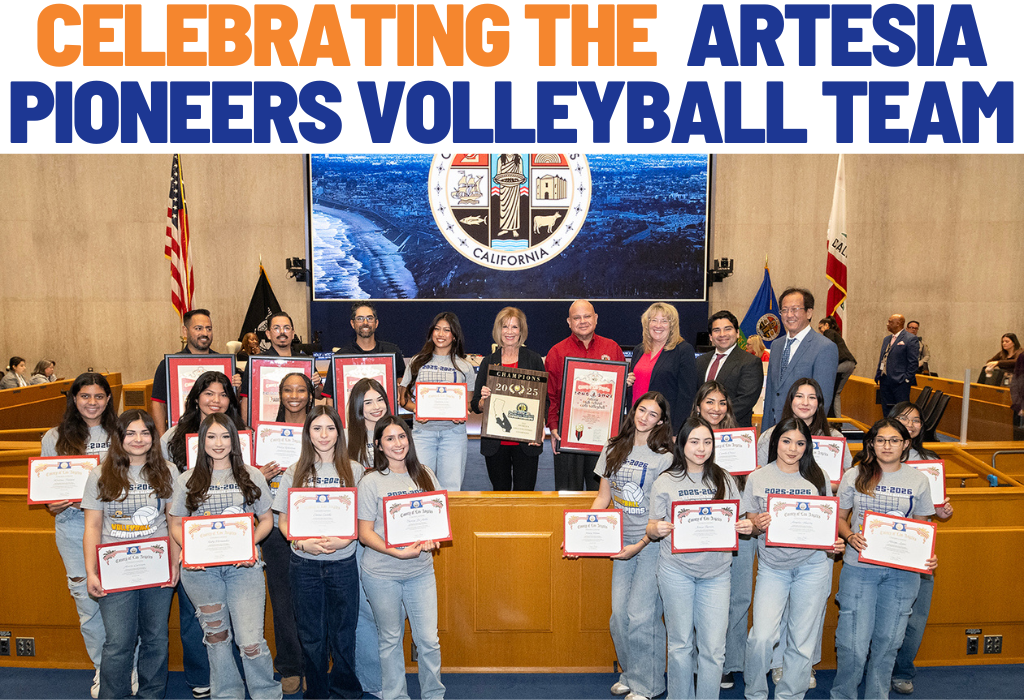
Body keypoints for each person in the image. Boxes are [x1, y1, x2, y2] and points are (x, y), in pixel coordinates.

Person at [169, 414, 281, 700]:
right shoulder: (186, 480)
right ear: (201, 440)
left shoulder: (251, 474)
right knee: (216, 639)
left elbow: (266, 520)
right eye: (211, 436)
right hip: (201, 573)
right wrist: (192, 550)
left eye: (225, 436)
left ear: (234, 440)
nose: (218, 443)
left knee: (251, 640)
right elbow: (175, 524)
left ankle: (266, 693)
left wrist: (248, 544)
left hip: (244, 568)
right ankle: (227, 694)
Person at [831, 418, 939, 700]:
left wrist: (927, 557)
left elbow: (922, 526)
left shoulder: (918, 480)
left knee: (888, 643)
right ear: (872, 443)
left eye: (894, 440)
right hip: (859, 569)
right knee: (853, 643)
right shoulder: (854, 475)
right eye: (880, 440)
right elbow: (841, 519)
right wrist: (850, 536)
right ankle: (843, 695)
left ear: (906, 444)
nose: (886, 445)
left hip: (902, 575)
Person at [755, 379, 852, 689]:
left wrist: (816, 507)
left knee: (810, 610)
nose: (806, 402)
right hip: (777, 544)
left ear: (820, 403)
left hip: (814, 540)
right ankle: (779, 663)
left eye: (813, 397)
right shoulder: (770, 435)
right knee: (776, 610)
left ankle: (803, 665)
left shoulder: (835, 440)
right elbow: (761, 482)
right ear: (790, 399)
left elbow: (843, 486)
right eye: (800, 396)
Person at [647, 415, 752, 699]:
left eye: (707, 441)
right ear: (681, 445)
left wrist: (746, 525)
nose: (701, 448)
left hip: (716, 575)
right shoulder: (666, 481)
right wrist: (656, 528)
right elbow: (651, 526)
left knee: (714, 649)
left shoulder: (725, 478)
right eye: (694, 441)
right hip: (676, 572)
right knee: (680, 645)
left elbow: (740, 520)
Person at [578, 392, 673, 700]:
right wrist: (582, 533)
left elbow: (661, 513)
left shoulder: (666, 457)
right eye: (641, 410)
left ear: (661, 420)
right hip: (619, 540)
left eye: (653, 414)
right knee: (619, 615)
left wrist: (642, 543)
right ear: (633, 412)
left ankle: (649, 685)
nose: (645, 417)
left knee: (642, 614)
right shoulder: (613, 446)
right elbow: (603, 497)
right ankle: (631, 674)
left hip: (652, 543)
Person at [743, 418, 843, 700]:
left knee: (802, 641)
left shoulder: (817, 476)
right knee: (761, 636)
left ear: (807, 446)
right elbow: (750, 520)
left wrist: (833, 542)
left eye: (800, 443)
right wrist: (757, 522)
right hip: (773, 568)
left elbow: (828, 520)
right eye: (786, 441)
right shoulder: (758, 477)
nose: (792, 449)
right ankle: (755, 693)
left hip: (812, 567)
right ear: (776, 442)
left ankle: (790, 695)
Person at [81, 410, 178, 699]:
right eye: (131, 433)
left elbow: (174, 522)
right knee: (118, 641)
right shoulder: (99, 473)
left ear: (154, 436)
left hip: (157, 567)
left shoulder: (169, 471)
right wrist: (91, 572)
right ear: (119, 437)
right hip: (115, 570)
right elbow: (93, 527)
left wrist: (175, 564)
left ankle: (152, 694)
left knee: (156, 639)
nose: (138, 439)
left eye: (145, 433)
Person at [272, 407, 362, 699]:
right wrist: (300, 543)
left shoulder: (354, 469)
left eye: (330, 428)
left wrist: (345, 540)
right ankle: (317, 693)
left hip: (342, 564)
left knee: (343, 636)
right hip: (305, 566)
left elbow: (363, 519)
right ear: (307, 433)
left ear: (340, 432)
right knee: (310, 636)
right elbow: (283, 522)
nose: (324, 435)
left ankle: (346, 691)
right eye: (317, 429)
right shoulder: (294, 470)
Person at [41, 373, 119, 699]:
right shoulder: (54, 437)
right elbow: (49, 495)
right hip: (73, 528)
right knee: (88, 606)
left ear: (108, 399)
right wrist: (54, 503)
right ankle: (103, 667)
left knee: (121, 603)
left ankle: (123, 665)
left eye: (99, 396)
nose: (92, 402)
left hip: (117, 529)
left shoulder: (121, 432)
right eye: (85, 396)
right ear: (74, 399)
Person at [357, 416, 445, 700]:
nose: (398, 443)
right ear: (379, 446)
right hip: (381, 574)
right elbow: (364, 533)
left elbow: (437, 522)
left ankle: (433, 694)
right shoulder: (370, 482)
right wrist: (395, 551)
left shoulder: (426, 475)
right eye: (390, 439)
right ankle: (396, 696)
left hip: (420, 571)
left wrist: (433, 539)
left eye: (402, 437)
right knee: (390, 639)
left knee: (428, 640)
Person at [687, 383, 752, 692]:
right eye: (709, 402)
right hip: (699, 531)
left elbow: (749, 484)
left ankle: (727, 662)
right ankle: (701, 660)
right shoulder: (685, 439)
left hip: (737, 529)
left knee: (738, 597)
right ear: (698, 405)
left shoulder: (740, 441)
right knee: (701, 598)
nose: (716, 408)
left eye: (722, 402)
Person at [887, 403, 955, 696]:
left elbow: (935, 509)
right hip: (884, 546)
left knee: (915, 616)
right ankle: (878, 665)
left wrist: (944, 511)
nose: (911, 424)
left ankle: (902, 670)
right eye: (904, 418)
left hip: (918, 548)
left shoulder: (930, 461)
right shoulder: (877, 456)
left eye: (916, 420)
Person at [266, 372, 316, 696]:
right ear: (280, 395)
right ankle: (289, 664)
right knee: (282, 597)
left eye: (301, 390)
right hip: (275, 522)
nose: (294, 395)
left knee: (311, 599)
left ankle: (312, 663)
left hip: (314, 521)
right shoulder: (266, 432)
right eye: (288, 390)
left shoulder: (321, 427)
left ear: (310, 396)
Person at [545, 300, 626, 490]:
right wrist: (554, 428)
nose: (582, 321)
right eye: (576, 317)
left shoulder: (612, 348)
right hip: (567, 435)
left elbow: (621, 395)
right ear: (569, 322)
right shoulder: (556, 352)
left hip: (603, 437)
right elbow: (551, 395)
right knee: (567, 493)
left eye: (587, 316)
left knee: (600, 493)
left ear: (596, 318)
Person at [344, 378, 389, 697]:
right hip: (360, 536)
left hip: (392, 532)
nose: (375, 408)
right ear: (357, 409)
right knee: (364, 611)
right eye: (368, 402)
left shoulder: (398, 435)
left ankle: (391, 675)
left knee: (389, 611)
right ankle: (373, 681)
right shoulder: (346, 442)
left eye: (380, 400)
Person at [471, 307, 545, 490]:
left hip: (526, 443)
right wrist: (483, 401)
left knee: (525, 495)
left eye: (514, 327)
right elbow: (475, 404)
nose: (510, 332)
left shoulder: (534, 360)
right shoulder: (488, 362)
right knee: (500, 495)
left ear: (521, 331)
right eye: (505, 327)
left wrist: (540, 426)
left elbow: (545, 399)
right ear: (498, 330)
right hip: (495, 445)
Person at [400, 312, 474, 491]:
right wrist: (417, 409)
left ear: (454, 335)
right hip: (423, 434)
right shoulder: (417, 362)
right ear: (431, 333)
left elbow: (468, 404)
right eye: (437, 329)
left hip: (453, 435)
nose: (441, 334)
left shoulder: (465, 366)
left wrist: (462, 414)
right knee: (421, 488)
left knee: (451, 489)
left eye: (447, 330)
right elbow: (403, 400)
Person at [151, 309, 241, 435]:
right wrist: (162, 438)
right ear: (185, 331)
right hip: (181, 433)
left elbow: (233, 403)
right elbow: (158, 403)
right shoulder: (168, 365)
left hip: (219, 433)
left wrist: (238, 389)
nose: (205, 333)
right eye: (198, 328)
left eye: (209, 329)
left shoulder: (224, 364)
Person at [763, 289, 838, 430]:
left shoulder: (825, 347)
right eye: (784, 310)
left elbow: (822, 400)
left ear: (809, 313)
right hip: (774, 429)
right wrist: (766, 431)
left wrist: (808, 436)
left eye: (795, 309)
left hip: (802, 432)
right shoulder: (776, 345)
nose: (789, 315)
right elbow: (772, 393)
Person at [626, 302, 699, 434]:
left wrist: (676, 431)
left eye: (664, 321)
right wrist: (626, 381)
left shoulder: (683, 350)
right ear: (647, 324)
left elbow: (687, 396)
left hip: (664, 426)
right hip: (635, 422)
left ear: (672, 326)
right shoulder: (639, 350)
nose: (658, 325)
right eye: (654, 320)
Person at [240, 311, 320, 424]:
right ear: (268, 334)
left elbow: (320, 395)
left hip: (300, 426)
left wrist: (316, 384)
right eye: (276, 328)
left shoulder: (304, 361)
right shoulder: (257, 363)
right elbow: (246, 398)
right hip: (265, 426)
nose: (282, 332)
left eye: (286, 328)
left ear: (293, 333)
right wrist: (247, 428)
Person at [322, 302, 407, 408]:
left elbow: (402, 379)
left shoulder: (392, 352)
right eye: (360, 318)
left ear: (376, 323)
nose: (365, 322)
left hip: (384, 417)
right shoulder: (341, 356)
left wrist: (399, 388)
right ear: (353, 324)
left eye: (369, 318)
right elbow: (330, 397)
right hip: (351, 420)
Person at [696, 311, 763, 428]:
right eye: (717, 330)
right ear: (710, 337)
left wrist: (713, 418)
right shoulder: (700, 361)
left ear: (737, 333)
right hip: (700, 429)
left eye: (728, 329)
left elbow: (745, 401)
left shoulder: (750, 362)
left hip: (733, 431)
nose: (722, 334)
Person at [874, 314, 920, 417]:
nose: (887, 324)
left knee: (901, 411)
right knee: (886, 410)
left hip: (900, 382)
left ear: (898, 323)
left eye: (890, 322)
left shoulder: (910, 339)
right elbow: (883, 358)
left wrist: (906, 378)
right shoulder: (887, 339)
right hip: (885, 380)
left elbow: (913, 362)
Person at [817, 317, 858, 418]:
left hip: (841, 363)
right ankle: (838, 420)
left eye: (820, 327)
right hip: (850, 364)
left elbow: (828, 348)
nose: (820, 331)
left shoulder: (829, 332)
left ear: (826, 325)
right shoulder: (836, 334)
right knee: (836, 393)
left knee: (828, 390)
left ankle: (830, 417)